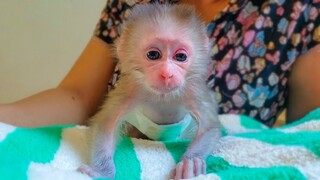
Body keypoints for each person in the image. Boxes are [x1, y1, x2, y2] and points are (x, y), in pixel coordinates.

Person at [0, 0, 319, 127]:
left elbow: (301, 138)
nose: (166, 73)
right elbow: (78, 97)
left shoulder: (299, 13)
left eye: (180, 56)